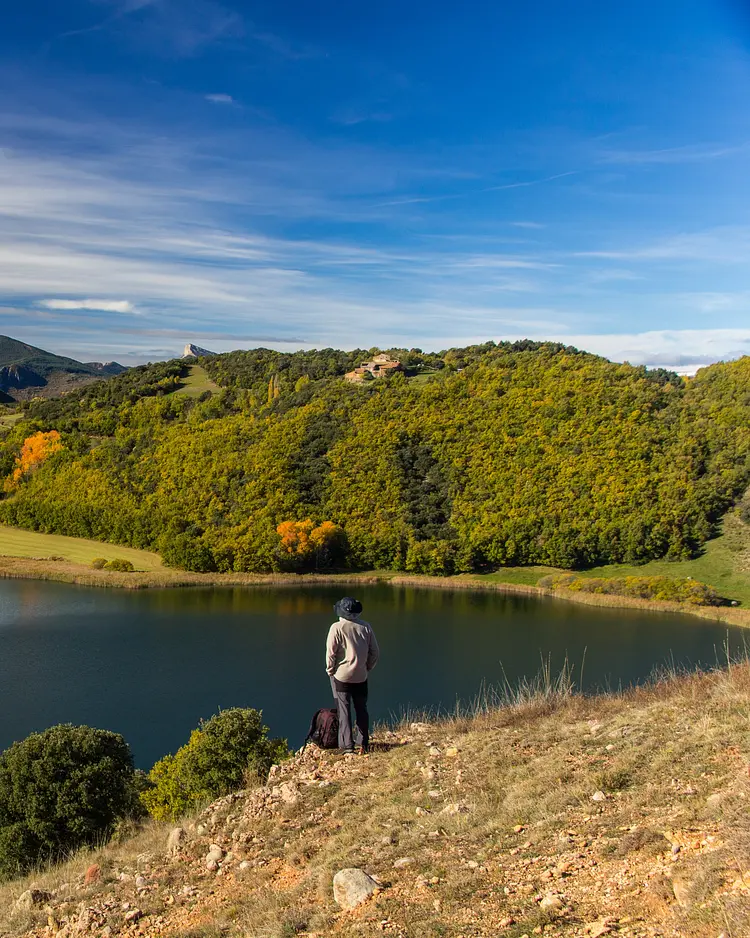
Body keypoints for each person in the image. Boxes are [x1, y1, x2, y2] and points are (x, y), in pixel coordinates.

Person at [325, 596, 379, 753]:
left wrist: (330, 671)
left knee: (344, 710)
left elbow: (331, 653)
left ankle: (347, 746)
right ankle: (363, 743)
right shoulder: (365, 627)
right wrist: (367, 667)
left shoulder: (336, 627)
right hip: (361, 675)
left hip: (341, 676)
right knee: (361, 709)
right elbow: (375, 652)